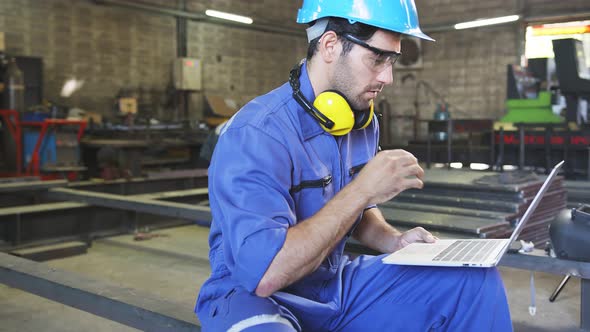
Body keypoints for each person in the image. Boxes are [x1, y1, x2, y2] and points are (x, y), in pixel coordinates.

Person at [196, 1, 513, 331]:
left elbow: (359, 212)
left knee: (473, 282)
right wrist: (362, 189)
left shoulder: (360, 120)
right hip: (255, 296)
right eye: (377, 58)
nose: (387, 77)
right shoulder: (256, 133)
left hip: (332, 286)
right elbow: (265, 275)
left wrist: (393, 241)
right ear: (331, 45)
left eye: (392, 60)